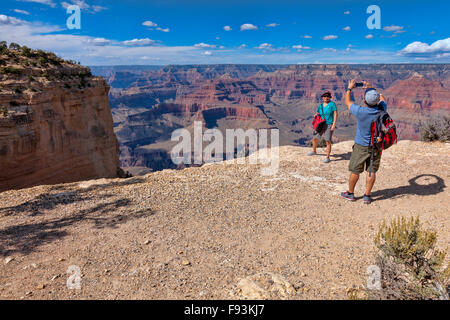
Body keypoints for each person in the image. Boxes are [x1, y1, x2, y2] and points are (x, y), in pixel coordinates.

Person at [341, 80, 387, 204]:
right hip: (376, 146)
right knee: (371, 170)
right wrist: (372, 88)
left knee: (355, 170)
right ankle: (367, 196)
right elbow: (382, 98)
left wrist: (349, 88)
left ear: (365, 101)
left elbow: (348, 102)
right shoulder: (382, 109)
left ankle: (350, 193)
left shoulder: (360, 111)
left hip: (361, 146)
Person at [307, 91, 338, 163]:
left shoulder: (332, 104)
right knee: (315, 138)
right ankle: (314, 151)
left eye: (327, 97)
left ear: (330, 97)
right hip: (321, 124)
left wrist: (333, 125)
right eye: (324, 97)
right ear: (322, 98)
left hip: (329, 124)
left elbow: (336, 114)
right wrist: (316, 115)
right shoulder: (320, 106)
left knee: (327, 141)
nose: (326, 98)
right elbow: (318, 113)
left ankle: (327, 157)